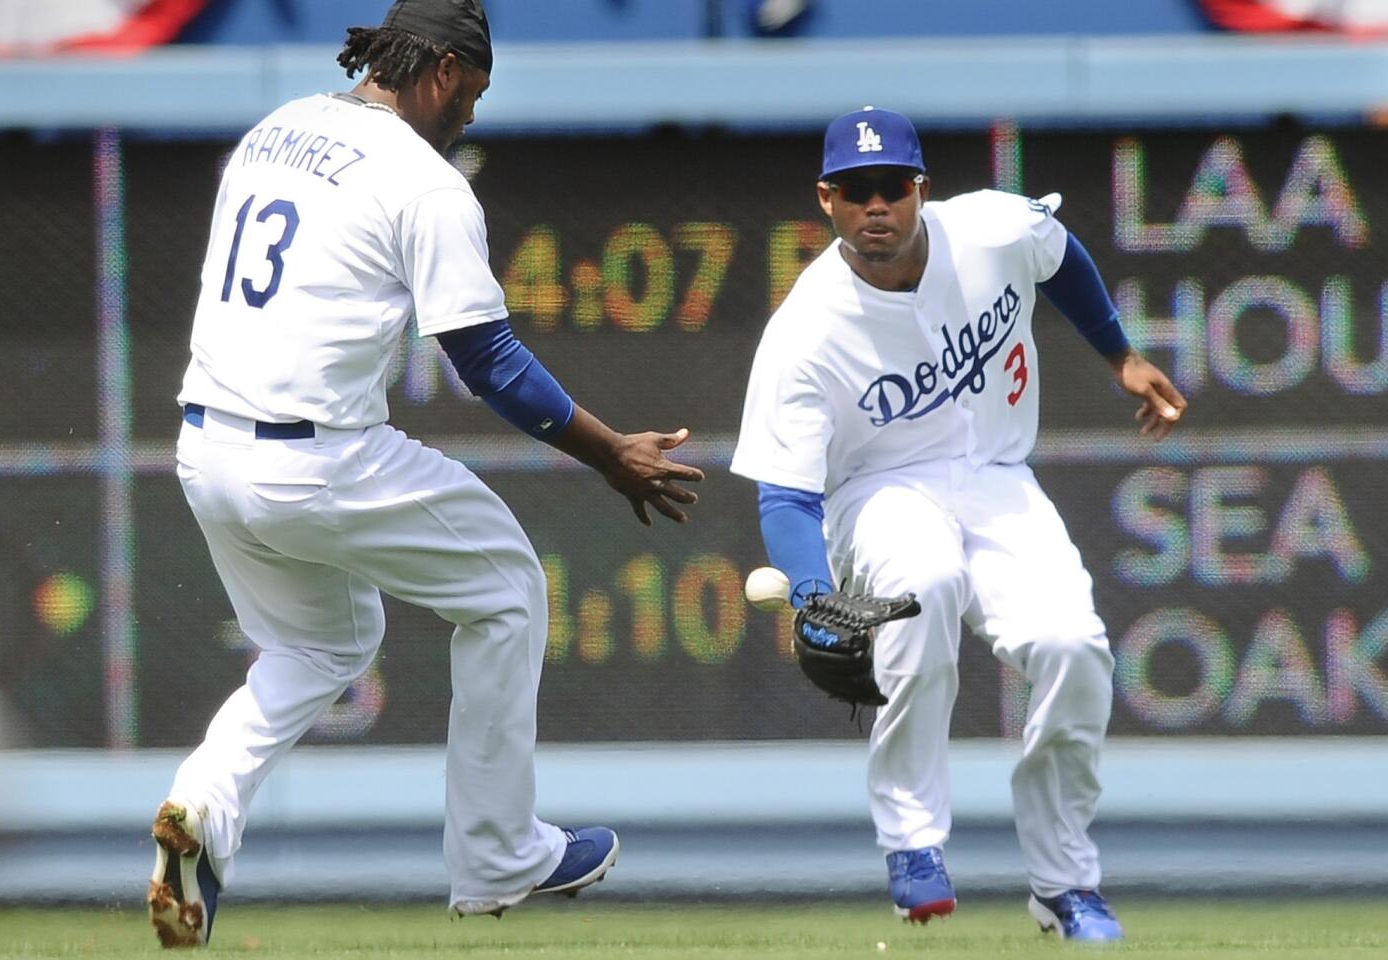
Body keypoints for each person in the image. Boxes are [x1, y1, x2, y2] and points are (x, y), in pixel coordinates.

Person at [147, 0, 704, 947]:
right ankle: (497, 856)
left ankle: (200, 808)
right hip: (315, 455)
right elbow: (489, 363)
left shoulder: (277, 130)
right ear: (442, 69)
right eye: (474, 91)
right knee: (509, 590)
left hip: (205, 446)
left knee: (323, 645)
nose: (474, 114)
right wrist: (612, 452)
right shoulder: (426, 181)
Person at [730, 107, 1187, 942]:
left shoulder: (989, 228)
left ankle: (1063, 885)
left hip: (999, 480)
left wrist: (1120, 353)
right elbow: (786, 497)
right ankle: (912, 844)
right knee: (926, 584)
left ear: (920, 191)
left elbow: (1061, 257)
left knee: (1072, 647)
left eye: (892, 187)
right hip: (881, 491)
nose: (878, 206)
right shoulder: (802, 332)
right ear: (826, 201)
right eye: (858, 191)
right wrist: (812, 593)